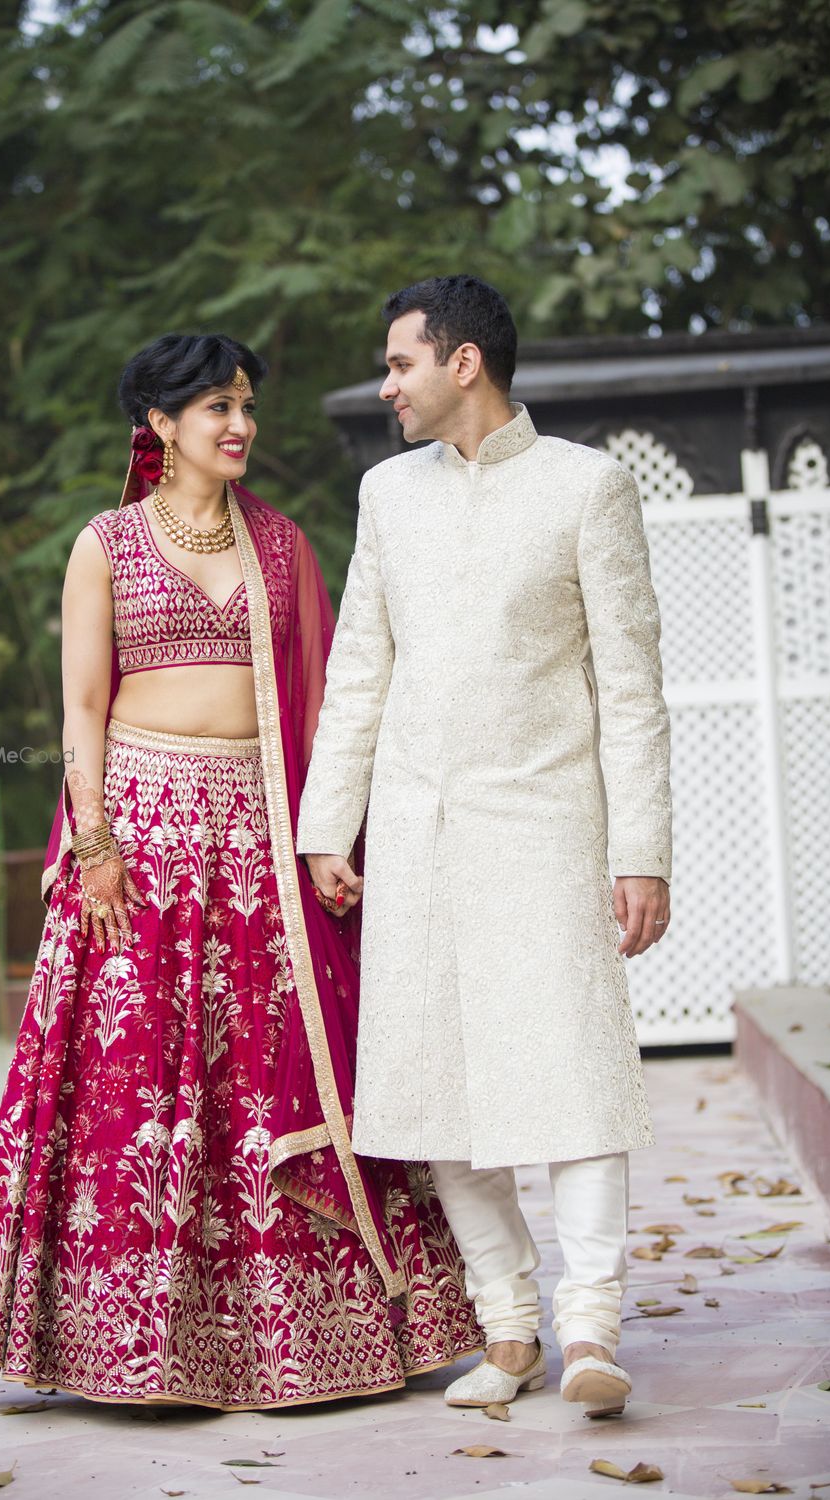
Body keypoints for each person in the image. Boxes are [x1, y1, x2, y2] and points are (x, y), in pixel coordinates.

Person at [0, 332, 481, 1409]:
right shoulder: (105, 543)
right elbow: (81, 709)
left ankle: (307, 1341)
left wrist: (333, 839)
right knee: (135, 1089)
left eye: (244, 405)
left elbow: (329, 705)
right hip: (136, 845)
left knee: (266, 1077)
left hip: (259, 841)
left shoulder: (281, 548)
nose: (238, 425)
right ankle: (126, 1343)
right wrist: (91, 849)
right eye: (214, 409)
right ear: (158, 424)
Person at [297, 277, 672, 1418]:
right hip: (416, 832)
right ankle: (507, 1326)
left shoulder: (586, 489)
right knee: (431, 1085)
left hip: (550, 829)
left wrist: (641, 850)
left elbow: (631, 689)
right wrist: (328, 824)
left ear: (463, 363)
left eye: (400, 362)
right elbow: (361, 668)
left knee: (575, 1077)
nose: (386, 383)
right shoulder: (387, 495)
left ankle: (593, 1327)